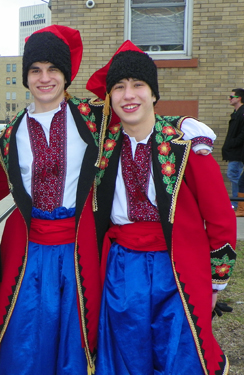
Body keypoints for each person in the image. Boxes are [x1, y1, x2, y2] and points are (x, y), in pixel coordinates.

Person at [0, 26, 216, 375]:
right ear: (25, 77)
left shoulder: (94, 117)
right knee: (25, 340)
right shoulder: (6, 137)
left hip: (81, 249)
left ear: (66, 75)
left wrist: (182, 123)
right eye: (35, 70)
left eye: (53, 69)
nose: (44, 78)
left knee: (79, 342)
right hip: (29, 252)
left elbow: (137, 113)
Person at [87, 41, 237, 375]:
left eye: (138, 85)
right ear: (109, 97)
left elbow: (220, 218)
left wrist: (215, 283)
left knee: (178, 355)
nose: (129, 95)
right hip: (121, 269)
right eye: (119, 87)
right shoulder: (103, 146)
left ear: (153, 93)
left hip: (177, 268)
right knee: (126, 353)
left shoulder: (184, 144)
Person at [222, 88, 244, 210]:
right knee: (234, 174)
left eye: (231, 97)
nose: (229, 99)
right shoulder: (236, 113)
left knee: (233, 174)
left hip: (238, 152)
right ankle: (237, 203)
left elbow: (242, 134)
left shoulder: (242, 113)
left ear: (239, 98)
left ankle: (237, 203)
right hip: (234, 151)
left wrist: (233, 143)